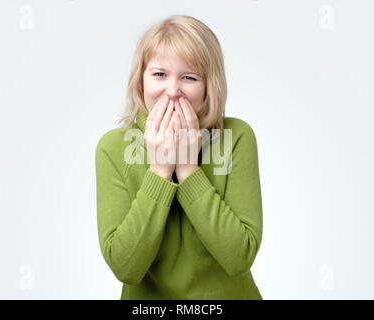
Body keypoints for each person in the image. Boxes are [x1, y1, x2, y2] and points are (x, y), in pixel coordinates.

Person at [95, 14, 263, 300]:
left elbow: (239, 257)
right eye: (159, 74)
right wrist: (160, 169)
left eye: (189, 77)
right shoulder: (112, 148)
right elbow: (126, 267)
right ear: (140, 81)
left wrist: (187, 169)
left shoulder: (237, 137)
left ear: (210, 86)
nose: (172, 92)